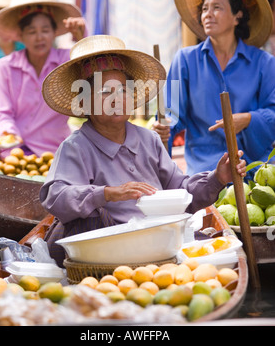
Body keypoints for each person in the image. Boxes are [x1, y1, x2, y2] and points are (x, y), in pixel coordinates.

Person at [39, 34, 246, 266]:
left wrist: (218, 178)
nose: (116, 99)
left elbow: (181, 192)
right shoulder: (75, 148)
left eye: (122, 90)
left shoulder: (149, 140)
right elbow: (56, 197)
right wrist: (107, 193)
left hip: (161, 247)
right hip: (110, 256)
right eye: (105, 92)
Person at [153, 0, 275, 177]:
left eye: (217, 8)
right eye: (204, 9)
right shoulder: (185, 60)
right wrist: (162, 128)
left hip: (257, 172)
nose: (207, 14)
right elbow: (168, 114)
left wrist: (248, 119)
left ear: (237, 16)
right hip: (205, 174)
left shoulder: (264, 63)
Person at [0, 0, 85, 159]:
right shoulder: (5, 66)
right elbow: (0, 112)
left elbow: (94, 68)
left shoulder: (67, 61)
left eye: (45, 30)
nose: (39, 37)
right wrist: (9, 135)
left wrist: (82, 37)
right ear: (20, 35)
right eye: (31, 31)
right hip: (11, 150)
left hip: (56, 151)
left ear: (54, 33)